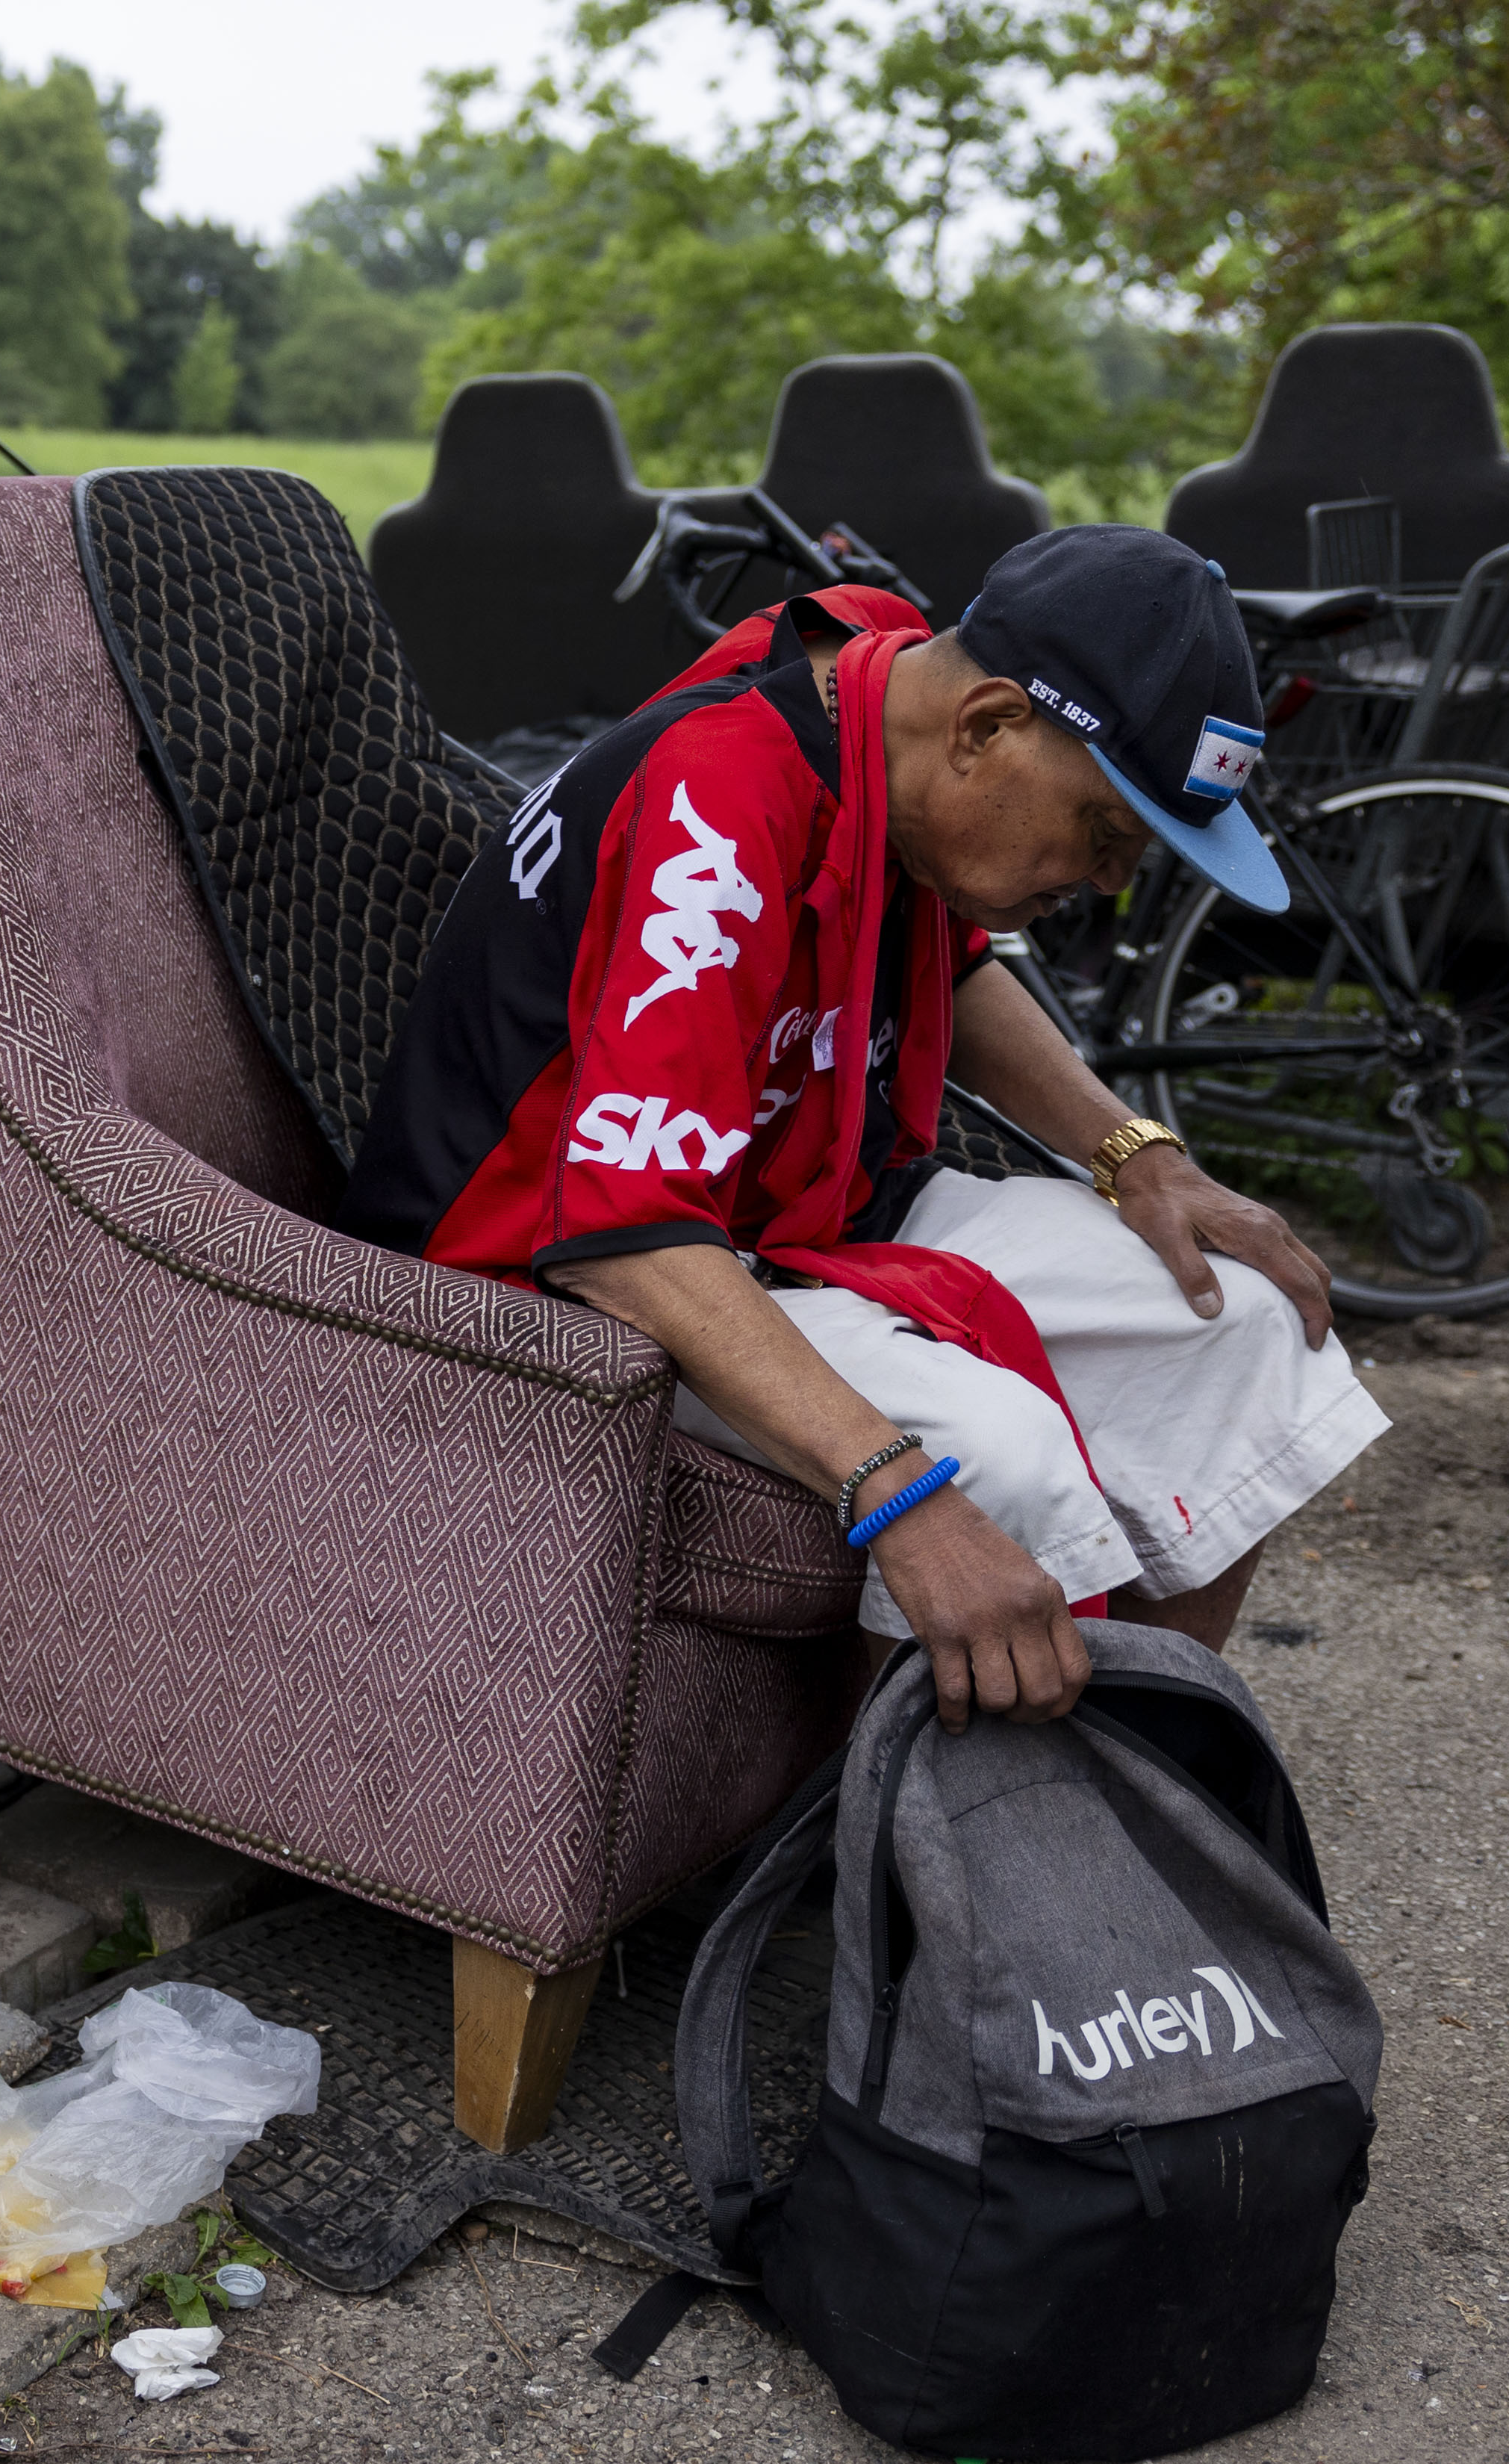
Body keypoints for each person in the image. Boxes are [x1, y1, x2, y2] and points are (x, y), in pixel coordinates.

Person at [336, 526, 1387, 1731]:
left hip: (800, 1199)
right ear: (987, 725)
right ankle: (936, 1888)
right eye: (1105, 833)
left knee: (1242, 1321)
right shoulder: (724, 796)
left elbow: (953, 955)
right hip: (558, 1268)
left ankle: (1128, 1798)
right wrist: (905, 1500)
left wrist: (1137, 1153)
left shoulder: (887, 707)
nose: (1107, 882)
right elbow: (625, 1237)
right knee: (1000, 1452)